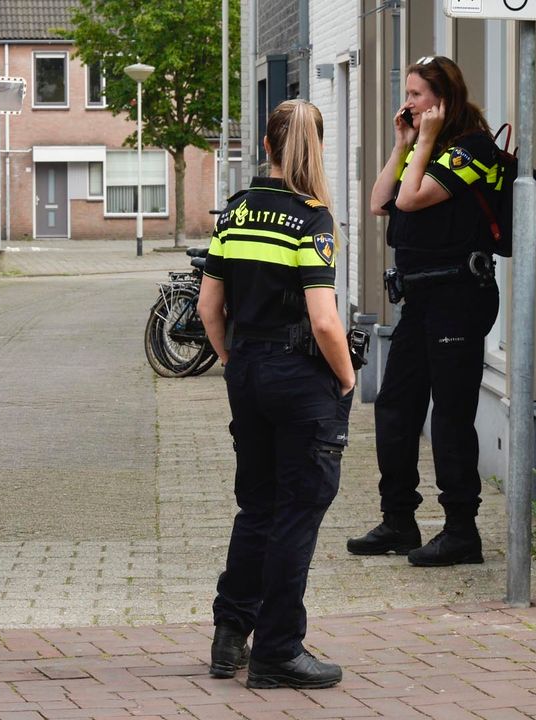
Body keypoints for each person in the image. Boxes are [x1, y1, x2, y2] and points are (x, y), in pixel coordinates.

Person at [198, 99, 355, 690]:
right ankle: (278, 652)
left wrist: (236, 359)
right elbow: (324, 320)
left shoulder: (236, 213)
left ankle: (229, 636)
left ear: (266, 146)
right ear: (314, 150)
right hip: (300, 378)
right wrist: (345, 377)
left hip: (248, 371)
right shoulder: (313, 218)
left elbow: (208, 308)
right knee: (297, 511)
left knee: (256, 506)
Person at [347, 55, 500, 567]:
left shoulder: (474, 150)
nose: (406, 102)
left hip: (459, 297)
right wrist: (401, 144)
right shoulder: (421, 147)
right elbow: (379, 200)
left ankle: (461, 531)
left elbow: (410, 202)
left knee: (451, 416)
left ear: (443, 99)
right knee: (396, 406)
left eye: (416, 94)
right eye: (407, 93)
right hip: (419, 298)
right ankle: (399, 520)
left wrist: (426, 142)